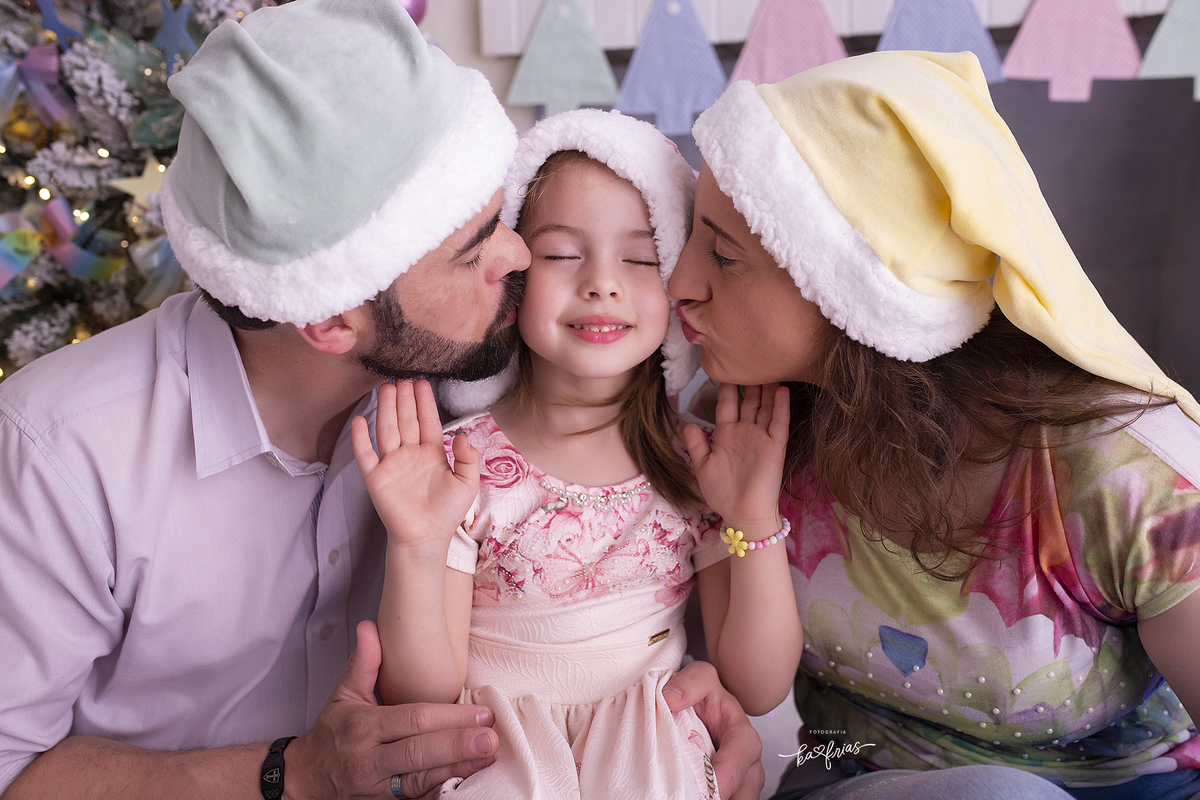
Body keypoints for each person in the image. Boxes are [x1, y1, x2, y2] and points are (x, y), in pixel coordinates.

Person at [0, 2, 763, 798]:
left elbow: (636, 576)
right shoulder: (62, 452)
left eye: (502, 219)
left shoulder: (478, 376)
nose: (520, 257)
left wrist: (707, 714)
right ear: (333, 319)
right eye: (475, 251)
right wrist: (288, 774)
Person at [667, 51, 1200, 800]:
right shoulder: (743, 433)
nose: (680, 285)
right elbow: (739, 680)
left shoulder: (1126, 475)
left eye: (723, 254)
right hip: (851, 776)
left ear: (852, 290)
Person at [352, 109, 800, 799]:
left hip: (650, 761)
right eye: (563, 254)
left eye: (642, 258)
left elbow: (759, 685)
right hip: (500, 761)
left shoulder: (694, 469)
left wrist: (753, 516)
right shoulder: (459, 465)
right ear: (515, 279)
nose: (601, 282)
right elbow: (423, 690)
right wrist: (416, 543)